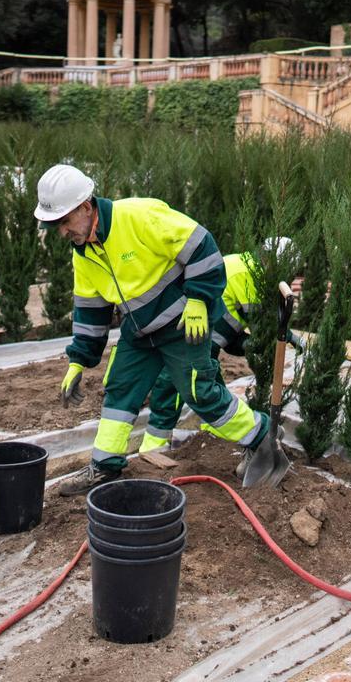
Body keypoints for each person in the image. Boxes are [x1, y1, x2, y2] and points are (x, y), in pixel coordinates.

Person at [35, 164, 272, 496]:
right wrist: (78, 361)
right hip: (140, 330)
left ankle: (261, 437)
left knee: (199, 392)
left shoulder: (139, 216)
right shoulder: (84, 255)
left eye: (64, 221)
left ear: (86, 207)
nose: (62, 232)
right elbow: (90, 312)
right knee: (120, 390)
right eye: (55, 224)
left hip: (183, 323)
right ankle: (104, 467)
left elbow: (203, 245)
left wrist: (198, 300)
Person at [139, 240, 304, 476]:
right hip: (191, 329)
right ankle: (155, 445)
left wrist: (285, 337)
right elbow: (262, 327)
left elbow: (246, 325)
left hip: (203, 331)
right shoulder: (249, 277)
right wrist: (273, 339)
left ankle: (214, 427)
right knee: (174, 384)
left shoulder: (244, 264)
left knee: (206, 385)